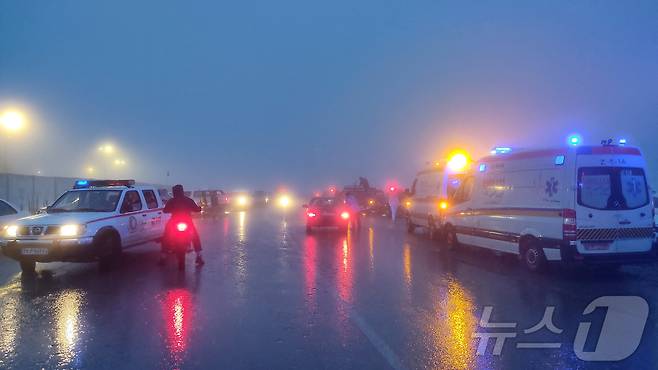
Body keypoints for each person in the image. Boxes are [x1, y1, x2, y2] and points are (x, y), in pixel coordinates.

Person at [161, 184, 205, 266]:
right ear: (182, 191)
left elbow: (165, 210)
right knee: (195, 237)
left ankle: (163, 257)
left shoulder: (171, 201)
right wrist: (199, 208)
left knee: (166, 236)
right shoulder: (188, 200)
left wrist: (167, 210)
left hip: (174, 221)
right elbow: (196, 209)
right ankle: (199, 256)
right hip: (187, 221)